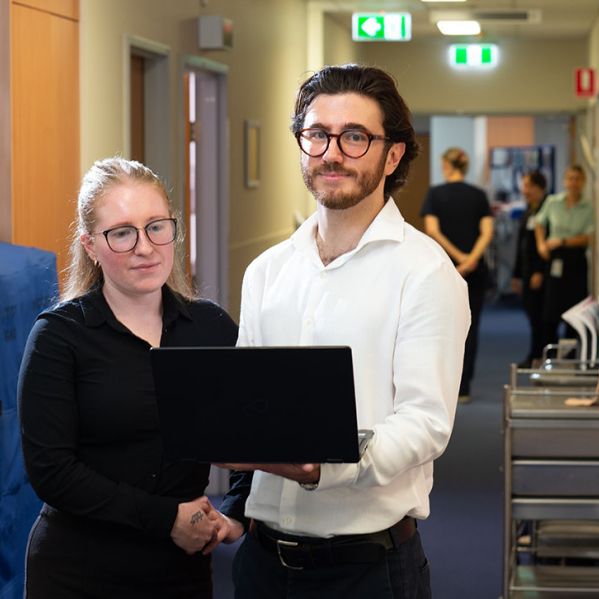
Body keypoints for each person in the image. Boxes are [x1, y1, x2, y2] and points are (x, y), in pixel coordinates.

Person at [216, 64, 470, 598]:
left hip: (366, 570)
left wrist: (324, 467)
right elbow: (249, 399)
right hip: (262, 565)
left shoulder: (425, 273)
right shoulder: (267, 270)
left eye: (355, 137)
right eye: (317, 135)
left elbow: (425, 423)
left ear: (393, 154)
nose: (332, 153)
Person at [18, 157, 240, 598]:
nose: (145, 246)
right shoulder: (59, 337)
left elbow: (253, 435)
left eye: (157, 226)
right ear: (90, 245)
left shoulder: (210, 328)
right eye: (122, 233)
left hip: (181, 573)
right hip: (79, 572)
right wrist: (165, 519)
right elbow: (52, 471)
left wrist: (233, 514)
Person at [421, 147, 494, 402]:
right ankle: (463, 388)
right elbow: (487, 232)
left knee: (439, 326)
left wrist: (457, 258)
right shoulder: (479, 195)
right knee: (470, 327)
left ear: (446, 165)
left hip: (443, 268)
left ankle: (443, 388)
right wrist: (471, 259)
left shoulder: (435, 194)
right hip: (474, 272)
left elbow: (433, 230)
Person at [534, 164, 595, 348]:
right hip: (554, 259)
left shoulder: (588, 207)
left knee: (574, 311)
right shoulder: (553, 202)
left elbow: (588, 237)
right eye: (570, 178)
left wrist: (563, 241)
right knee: (551, 312)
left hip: (575, 260)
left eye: (577, 179)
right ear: (564, 181)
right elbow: (538, 222)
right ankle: (549, 355)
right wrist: (541, 244)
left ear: (583, 182)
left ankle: (570, 357)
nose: (573, 183)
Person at [512, 170, 549, 368]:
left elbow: (543, 247)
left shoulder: (547, 210)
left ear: (539, 188)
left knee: (540, 316)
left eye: (529, 186)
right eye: (524, 186)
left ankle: (538, 355)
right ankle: (535, 353)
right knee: (531, 314)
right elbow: (522, 244)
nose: (525, 190)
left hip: (539, 273)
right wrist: (516, 274)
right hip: (526, 271)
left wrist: (539, 271)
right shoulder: (529, 210)